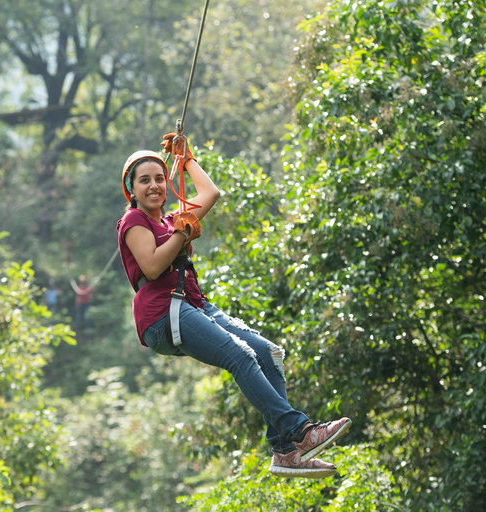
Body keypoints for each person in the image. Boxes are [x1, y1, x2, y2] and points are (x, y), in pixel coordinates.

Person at [116, 133, 351, 478]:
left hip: (193, 305)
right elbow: (151, 267)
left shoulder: (170, 220)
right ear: (131, 190)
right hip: (162, 313)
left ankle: (284, 452)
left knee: (269, 352)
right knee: (239, 354)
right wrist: (182, 234)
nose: (154, 186)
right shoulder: (134, 221)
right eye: (144, 180)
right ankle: (300, 432)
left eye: (160, 179)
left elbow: (211, 194)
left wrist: (186, 158)